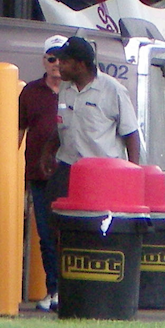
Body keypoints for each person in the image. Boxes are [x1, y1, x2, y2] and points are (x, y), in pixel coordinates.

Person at [42, 35, 142, 221]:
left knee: (92, 228)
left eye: (64, 61)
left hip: (102, 174)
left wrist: (132, 177)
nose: (58, 66)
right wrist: (48, 151)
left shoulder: (113, 90)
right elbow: (66, 124)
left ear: (80, 65)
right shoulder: (65, 87)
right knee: (55, 223)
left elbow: (131, 134)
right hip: (68, 168)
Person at [19, 34, 68, 311]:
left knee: (68, 233)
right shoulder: (30, 92)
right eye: (51, 58)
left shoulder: (75, 92)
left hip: (70, 174)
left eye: (61, 58)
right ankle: (53, 289)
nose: (56, 64)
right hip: (38, 175)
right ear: (44, 60)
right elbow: (18, 131)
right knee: (46, 236)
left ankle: (69, 287)